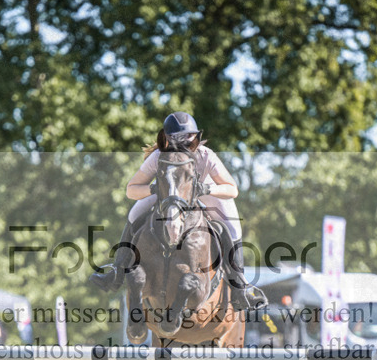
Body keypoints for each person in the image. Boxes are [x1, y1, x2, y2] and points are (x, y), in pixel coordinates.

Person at [89, 111, 262, 310]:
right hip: (169, 191)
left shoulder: (206, 155)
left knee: (232, 228)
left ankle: (240, 286)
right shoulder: (158, 156)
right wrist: (154, 189)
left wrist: (207, 189)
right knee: (134, 214)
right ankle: (117, 270)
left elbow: (232, 189)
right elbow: (131, 190)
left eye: (189, 137)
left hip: (203, 191)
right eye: (178, 138)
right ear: (168, 139)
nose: (185, 142)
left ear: (195, 137)